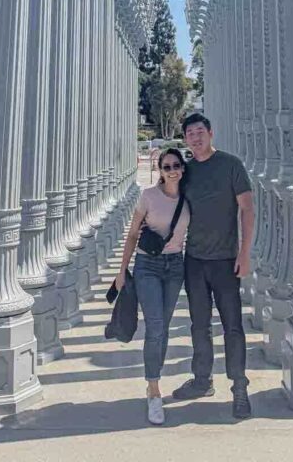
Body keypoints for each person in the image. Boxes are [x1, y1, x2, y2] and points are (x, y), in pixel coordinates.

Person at [172, 112, 254, 420]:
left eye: (199, 132)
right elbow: (170, 205)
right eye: (190, 134)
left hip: (225, 261)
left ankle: (239, 387)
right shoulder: (187, 171)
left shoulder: (231, 165)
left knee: (232, 326)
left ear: (210, 133)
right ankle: (202, 380)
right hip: (194, 260)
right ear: (186, 139)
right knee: (199, 325)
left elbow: (247, 209)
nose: (195, 137)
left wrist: (244, 254)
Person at [116, 147, 190, 426]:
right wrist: (122, 271)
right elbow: (134, 233)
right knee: (156, 326)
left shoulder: (189, 198)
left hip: (175, 266)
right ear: (159, 170)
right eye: (167, 166)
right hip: (147, 266)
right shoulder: (148, 196)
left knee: (164, 327)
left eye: (176, 165)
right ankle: (154, 390)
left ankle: (152, 382)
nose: (172, 170)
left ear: (183, 169)